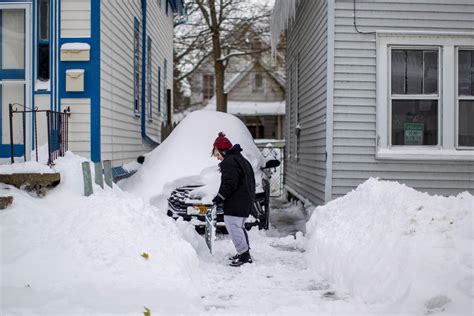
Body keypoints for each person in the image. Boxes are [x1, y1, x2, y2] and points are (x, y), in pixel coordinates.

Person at [212, 132, 255, 267]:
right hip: (244, 199)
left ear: (224, 151)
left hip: (237, 200)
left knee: (233, 225)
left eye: (218, 155)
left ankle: (244, 255)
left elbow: (229, 183)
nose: (218, 158)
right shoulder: (239, 158)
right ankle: (243, 251)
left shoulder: (229, 162)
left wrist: (220, 197)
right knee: (238, 226)